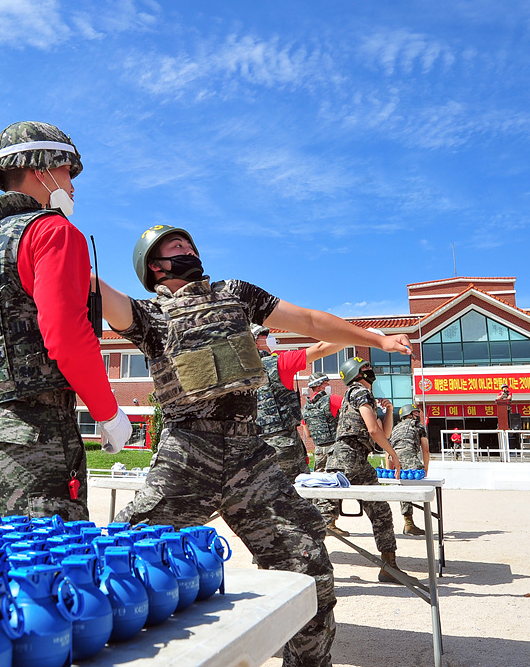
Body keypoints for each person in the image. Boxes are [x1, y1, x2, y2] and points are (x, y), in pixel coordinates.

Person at [95, 223, 412, 667]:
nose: (187, 247)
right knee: (116, 558)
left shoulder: (235, 293)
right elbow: (104, 294)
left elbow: (307, 320)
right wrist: (62, 246)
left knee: (308, 562)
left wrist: (375, 338)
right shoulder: (150, 317)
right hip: (187, 454)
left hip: (250, 454)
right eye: (175, 245)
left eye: (188, 241)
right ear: (155, 266)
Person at [0, 121, 129, 522]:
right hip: (32, 440)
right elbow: (66, 337)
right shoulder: (52, 231)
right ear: (42, 168)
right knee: (45, 572)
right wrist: (108, 412)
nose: (73, 186)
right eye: (66, 172)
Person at [321, 356, 404, 583]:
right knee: (377, 511)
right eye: (365, 367)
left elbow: (381, 435)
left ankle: (303, 564)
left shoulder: (363, 397)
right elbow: (374, 431)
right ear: (355, 374)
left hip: (349, 458)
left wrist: (389, 412)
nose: (370, 369)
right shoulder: (359, 392)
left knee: (322, 515)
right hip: (349, 457)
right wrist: (394, 455)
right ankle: (389, 566)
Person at [250, 324, 339, 481]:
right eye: (264, 336)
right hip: (283, 445)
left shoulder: (237, 374)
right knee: (299, 495)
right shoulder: (280, 363)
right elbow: (321, 349)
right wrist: (369, 338)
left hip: (252, 447)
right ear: (256, 342)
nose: (269, 339)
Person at [388, 401, 431, 535]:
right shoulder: (418, 426)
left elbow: (387, 451)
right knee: (425, 489)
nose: (418, 415)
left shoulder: (395, 428)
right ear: (409, 415)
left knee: (404, 489)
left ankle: (408, 523)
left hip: (394, 459)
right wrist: (425, 469)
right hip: (410, 458)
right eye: (415, 413)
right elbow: (426, 449)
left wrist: (390, 471)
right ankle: (414, 524)